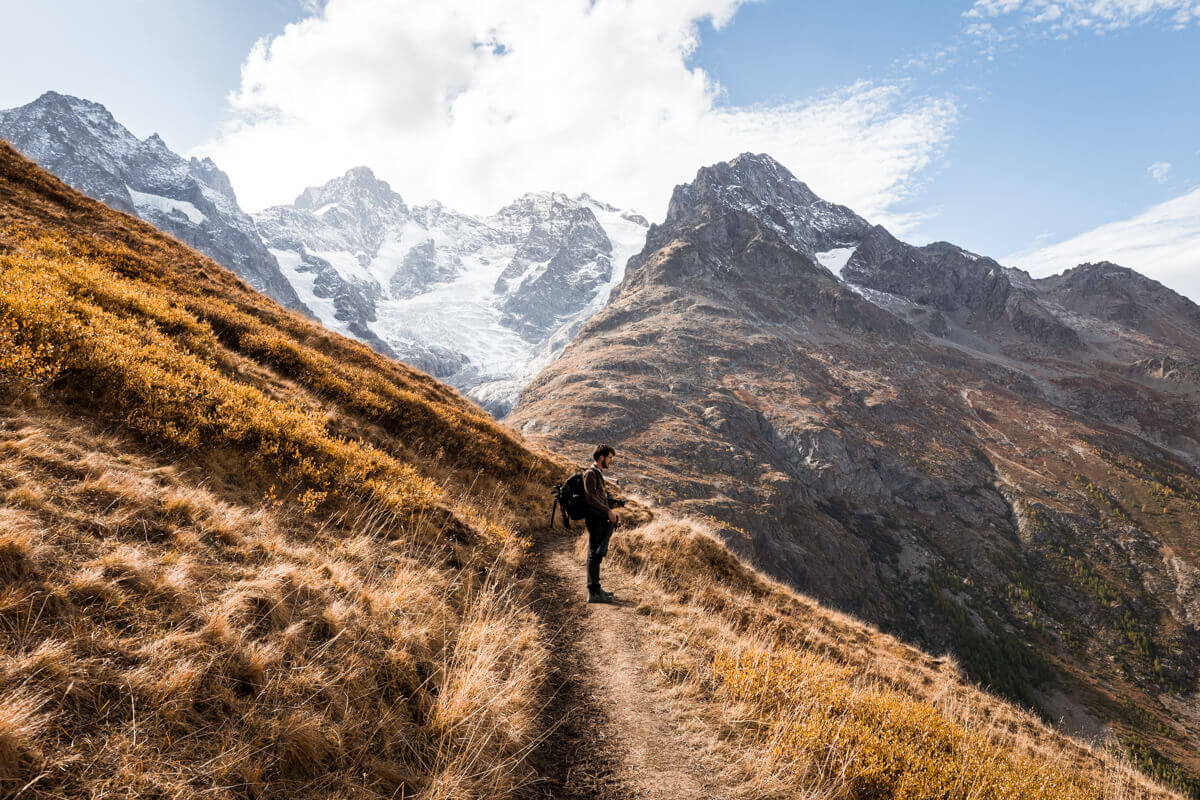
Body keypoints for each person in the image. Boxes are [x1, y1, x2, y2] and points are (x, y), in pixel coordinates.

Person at [583, 444, 619, 603]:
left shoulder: (597, 474)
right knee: (593, 554)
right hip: (595, 519)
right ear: (601, 457)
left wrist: (612, 504)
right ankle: (593, 593)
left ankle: (597, 589)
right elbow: (591, 498)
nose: (611, 461)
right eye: (610, 458)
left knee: (597, 554)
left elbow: (598, 498)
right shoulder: (590, 473)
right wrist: (608, 511)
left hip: (599, 518)